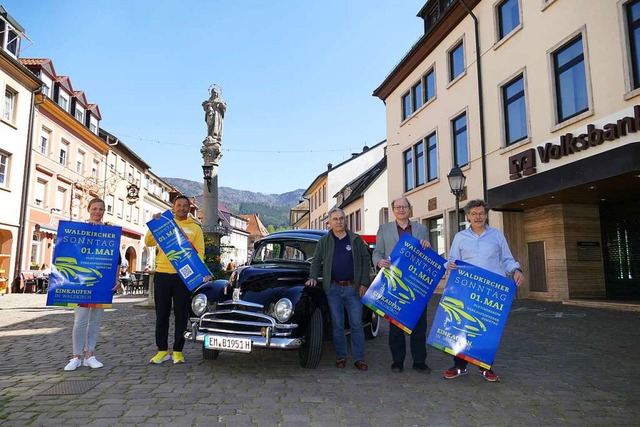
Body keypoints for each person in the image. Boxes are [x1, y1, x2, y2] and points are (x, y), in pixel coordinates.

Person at [444, 199, 525, 382]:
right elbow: (452, 260)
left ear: (486, 214)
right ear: (468, 217)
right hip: (466, 290)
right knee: (462, 326)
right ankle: (459, 366)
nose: (478, 217)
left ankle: (485, 368)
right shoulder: (460, 237)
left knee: (488, 329)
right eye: (474, 214)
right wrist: (450, 265)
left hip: (490, 291)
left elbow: (506, 259)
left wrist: (516, 270)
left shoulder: (497, 236)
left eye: (481, 213)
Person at [144, 195, 210, 365]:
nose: (181, 208)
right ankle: (162, 350)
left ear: (189, 209)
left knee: (181, 314)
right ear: (173, 207)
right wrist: (154, 223)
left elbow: (200, 253)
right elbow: (149, 242)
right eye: (178, 205)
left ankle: (178, 351)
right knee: (162, 314)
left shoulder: (195, 229)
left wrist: (201, 272)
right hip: (162, 274)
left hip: (183, 277)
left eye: (185, 206)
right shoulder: (164, 223)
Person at [305, 208, 371, 371]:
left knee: (356, 324)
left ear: (345, 220)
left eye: (341, 218)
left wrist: (364, 283)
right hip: (333, 288)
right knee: (337, 325)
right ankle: (341, 356)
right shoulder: (324, 241)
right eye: (335, 219)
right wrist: (313, 277)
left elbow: (365, 261)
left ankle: (359, 358)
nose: (339, 222)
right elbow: (316, 261)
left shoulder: (355, 239)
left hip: (353, 288)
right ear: (330, 222)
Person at [372, 197, 432, 374]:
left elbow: (428, 255)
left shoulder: (421, 229)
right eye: (397, 207)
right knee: (396, 324)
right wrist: (379, 262)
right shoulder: (384, 229)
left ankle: (419, 361)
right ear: (393, 210)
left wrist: (427, 247)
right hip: (394, 282)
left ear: (410, 209)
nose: (401, 210)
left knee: (419, 324)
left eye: (404, 207)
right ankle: (397, 361)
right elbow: (377, 252)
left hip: (416, 283)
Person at [64, 198, 120, 371]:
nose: (98, 212)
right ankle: (76, 357)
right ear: (88, 210)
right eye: (94, 208)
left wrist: (116, 279)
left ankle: (90, 355)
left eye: (101, 209)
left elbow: (116, 259)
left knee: (96, 321)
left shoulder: (109, 232)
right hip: (81, 283)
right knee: (80, 320)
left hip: (101, 284)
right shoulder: (79, 230)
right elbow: (68, 251)